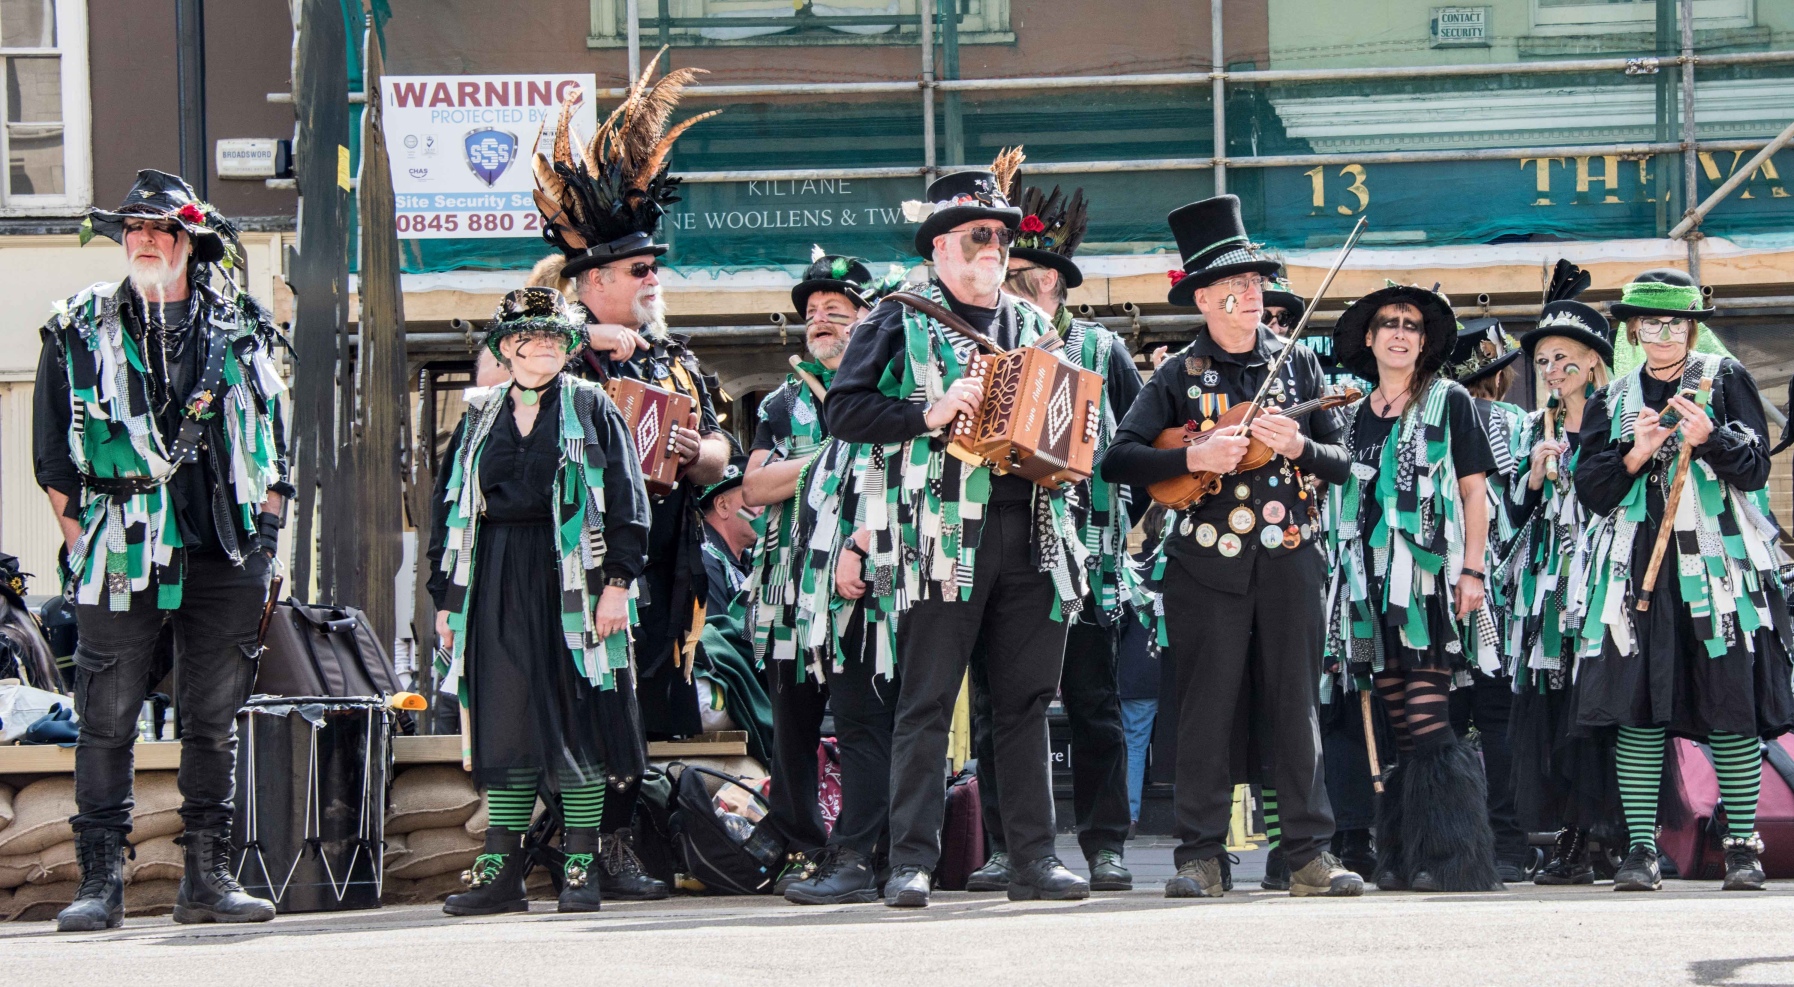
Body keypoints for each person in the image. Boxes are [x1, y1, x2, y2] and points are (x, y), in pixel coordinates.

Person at [827, 150, 1092, 906]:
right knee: (927, 700)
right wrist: (928, 413)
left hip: (1032, 528)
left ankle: (1033, 858)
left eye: (1002, 237)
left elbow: (1070, 418)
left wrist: (1069, 451)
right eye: (979, 235)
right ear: (940, 246)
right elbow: (843, 410)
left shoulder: (1035, 324)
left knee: (1027, 703)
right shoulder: (897, 316)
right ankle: (910, 861)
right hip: (941, 535)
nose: (994, 248)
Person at [37, 171, 291, 931]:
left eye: (160, 229)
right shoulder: (77, 327)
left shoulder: (240, 327)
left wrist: (265, 538)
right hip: (119, 545)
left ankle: (206, 879)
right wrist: (83, 539)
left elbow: (275, 444)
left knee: (212, 719)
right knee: (106, 714)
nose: (144, 240)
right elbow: (53, 454)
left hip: (224, 550)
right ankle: (100, 884)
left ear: (190, 242)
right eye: (134, 229)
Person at [1102, 194, 1361, 899]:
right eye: (1236, 286)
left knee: (1297, 706)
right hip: (1204, 565)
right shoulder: (1176, 375)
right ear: (1205, 299)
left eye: (1255, 284)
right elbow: (1118, 459)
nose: (1253, 295)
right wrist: (1194, 457)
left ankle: (1308, 855)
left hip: (1290, 556)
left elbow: (1344, 462)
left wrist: (1300, 445)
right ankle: (1201, 856)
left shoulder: (1299, 365)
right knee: (1205, 709)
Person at [530, 69, 728, 900]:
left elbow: (724, 455)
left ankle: (616, 842)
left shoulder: (674, 358)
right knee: (582, 699)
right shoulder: (548, 350)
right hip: (575, 563)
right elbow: (504, 407)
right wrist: (579, 342)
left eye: (655, 267)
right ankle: (576, 845)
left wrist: (696, 449)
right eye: (639, 268)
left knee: (635, 703)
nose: (654, 278)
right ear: (593, 281)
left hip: (664, 564)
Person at [427, 288, 651, 915]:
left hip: (573, 576)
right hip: (494, 575)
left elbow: (627, 499)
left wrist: (617, 584)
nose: (544, 344)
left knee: (578, 713)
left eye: (555, 335)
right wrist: (446, 600)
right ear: (506, 347)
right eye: (529, 335)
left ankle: (581, 868)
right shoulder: (478, 414)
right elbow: (448, 508)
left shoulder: (592, 406)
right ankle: (502, 871)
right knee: (506, 717)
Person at [1573, 268, 1793, 892]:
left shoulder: (1726, 379)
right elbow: (1592, 490)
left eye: (1676, 323)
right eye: (1651, 323)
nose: (1664, 334)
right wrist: (1635, 454)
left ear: (1692, 330)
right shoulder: (1611, 398)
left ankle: (1743, 847)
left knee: (1730, 703)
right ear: (1633, 331)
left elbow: (1755, 469)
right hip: (1635, 572)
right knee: (1636, 708)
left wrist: (1711, 437)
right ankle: (1641, 850)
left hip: (1719, 570)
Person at [966, 171, 1142, 893]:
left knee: (1094, 702)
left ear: (1053, 283)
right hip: (1003, 553)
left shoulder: (1103, 349)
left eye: (1024, 279)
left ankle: (1105, 845)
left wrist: (1126, 533)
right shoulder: (985, 343)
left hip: (1089, 557)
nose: (1011, 290)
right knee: (997, 706)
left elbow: (1139, 451)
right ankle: (1008, 846)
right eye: (1011, 278)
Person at [1326, 282, 1506, 893]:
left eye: (1411, 325)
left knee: (1429, 722)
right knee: (1399, 725)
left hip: (1427, 586)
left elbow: (1475, 492)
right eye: (1390, 323)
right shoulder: (1354, 415)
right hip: (1367, 588)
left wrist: (1472, 572)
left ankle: (1456, 858)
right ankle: (1405, 856)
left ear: (1424, 342)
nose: (1400, 333)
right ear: (1370, 338)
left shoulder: (1449, 400)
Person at [742, 250, 903, 905]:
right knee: (792, 728)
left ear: (868, 320)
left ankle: (868, 850)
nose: (820, 321)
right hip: (788, 588)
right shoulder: (782, 402)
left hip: (867, 582)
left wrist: (803, 466)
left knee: (866, 720)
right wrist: (831, 456)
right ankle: (803, 848)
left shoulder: (891, 388)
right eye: (812, 313)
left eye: (836, 310)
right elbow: (754, 487)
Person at [1502, 261, 1622, 885]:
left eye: (1563, 359)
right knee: (1556, 708)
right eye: (1544, 361)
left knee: (1604, 705)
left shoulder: (1621, 420)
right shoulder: (1530, 427)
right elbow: (1510, 515)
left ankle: (1616, 836)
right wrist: (1532, 477)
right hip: (1548, 591)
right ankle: (1574, 838)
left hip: (1607, 584)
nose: (1552, 370)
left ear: (1594, 361)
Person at [1441, 317, 1534, 883]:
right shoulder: (1518, 423)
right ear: (1499, 377)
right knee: (1499, 721)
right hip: (1503, 591)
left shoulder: (1430, 419)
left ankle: (1454, 845)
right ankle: (1509, 845)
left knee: (1445, 721)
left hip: (1439, 583)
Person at [699, 458, 759, 617]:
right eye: (754, 497)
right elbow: (717, 630)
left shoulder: (748, 559)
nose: (765, 509)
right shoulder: (704, 562)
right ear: (722, 505)